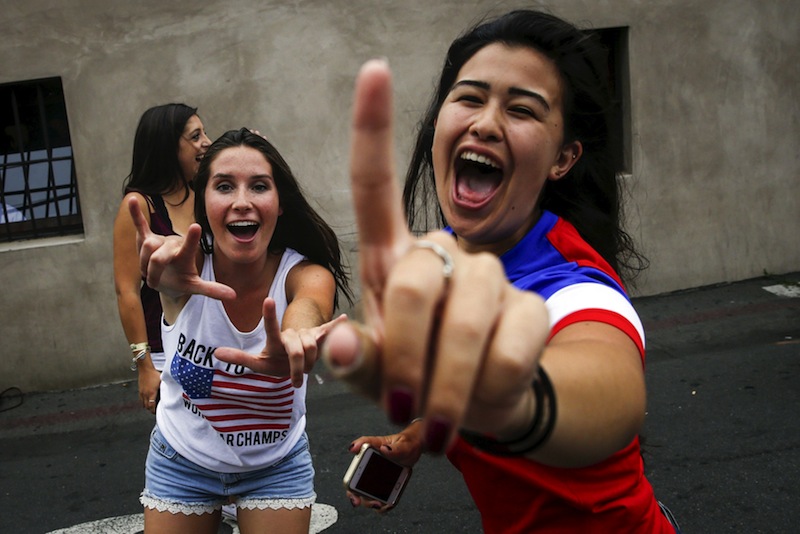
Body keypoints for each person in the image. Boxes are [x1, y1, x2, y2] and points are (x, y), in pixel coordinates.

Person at [321, 9, 680, 533]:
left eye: (522, 110)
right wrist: (418, 435)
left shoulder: (574, 286)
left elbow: (610, 390)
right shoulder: (449, 253)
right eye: (469, 97)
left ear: (563, 157)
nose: (485, 123)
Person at [130, 128, 352, 533]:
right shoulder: (187, 265)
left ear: (280, 203)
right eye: (224, 186)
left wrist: (297, 334)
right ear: (204, 202)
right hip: (182, 459)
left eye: (260, 186)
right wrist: (164, 279)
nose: (242, 202)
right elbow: (168, 277)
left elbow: (309, 303)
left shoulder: (303, 272)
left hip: (275, 465)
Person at [114, 103, 211, 415]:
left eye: (204, 133)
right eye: (195, 137)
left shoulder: (208, 191)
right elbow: (126, 290)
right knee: (184, 443)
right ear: (168, 147)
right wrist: (144, 365)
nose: (206, 142)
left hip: (215, 339)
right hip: (166, 349)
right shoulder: (139, 205)